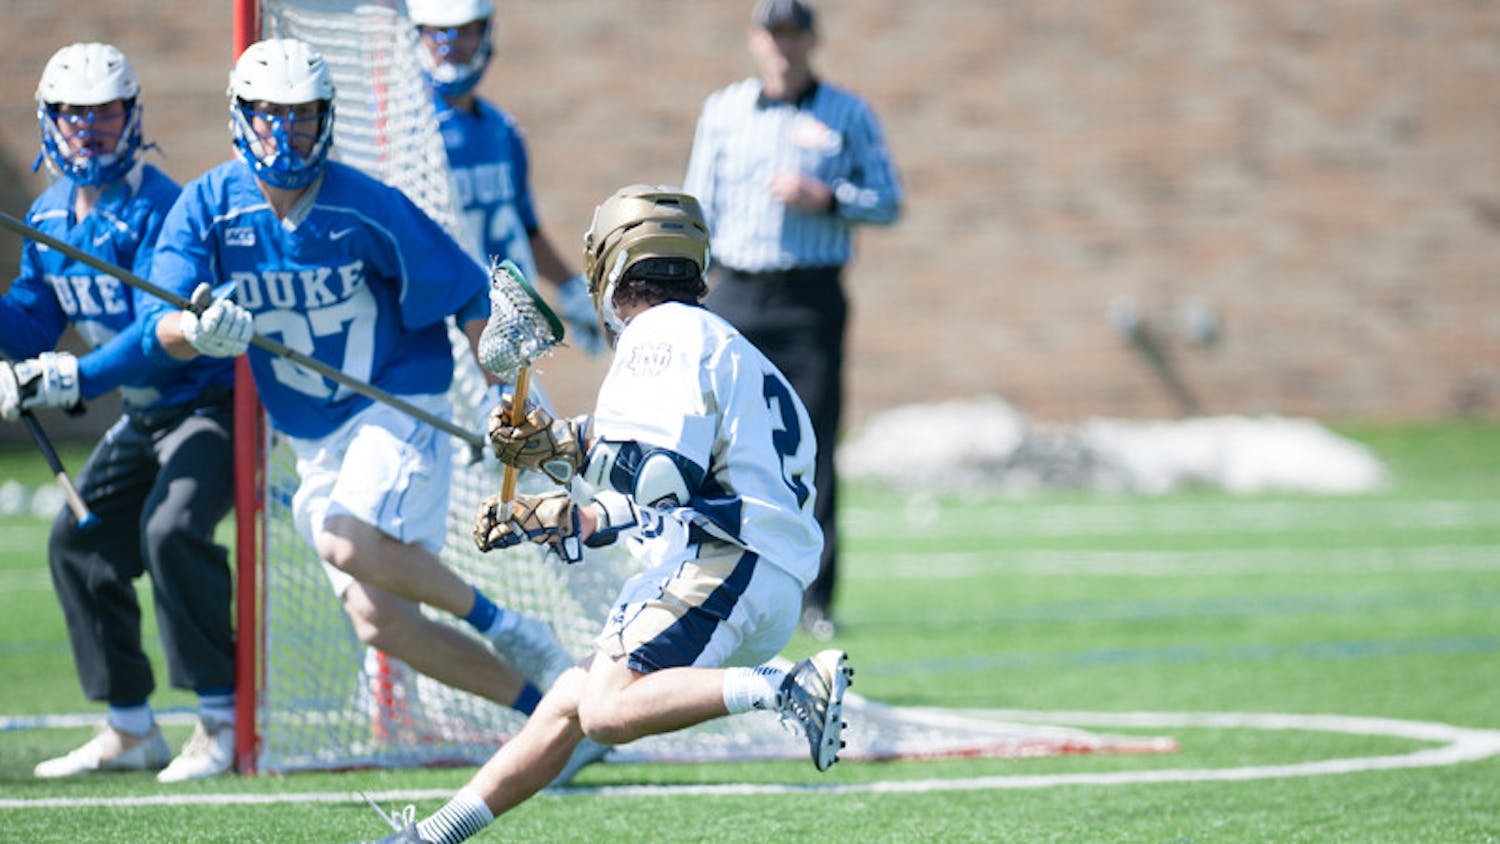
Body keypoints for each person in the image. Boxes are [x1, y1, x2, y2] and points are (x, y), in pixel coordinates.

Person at [349, 185, 852, 844]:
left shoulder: (661, 332)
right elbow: (655, 488)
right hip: (751, 571)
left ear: (610, 262)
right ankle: (434, 836)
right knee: (568, 705)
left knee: (608, 711)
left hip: (726, 561)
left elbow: (665, 477)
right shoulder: (721, 343)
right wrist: (557, 512)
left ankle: (785, 685)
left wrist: (564, 447)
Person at [140, 38, 574, 737]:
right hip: (313, 436)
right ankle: (549, 721)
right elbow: (153, 319)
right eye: (267, 115)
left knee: (344, 540)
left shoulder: (365, 204)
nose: (284, 132)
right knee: (380, 622)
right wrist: (195, 332)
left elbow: (466, 292)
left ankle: (508, 623)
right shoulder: (210, 206)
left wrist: (499, 384)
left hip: (395, 401)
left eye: (302, 116)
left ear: (326, 119)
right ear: (238, 117)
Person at [0, 42, 239, 783]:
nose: (91, 130)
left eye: (106, 113)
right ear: (49, 123)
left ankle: (224, 719)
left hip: (210, 405)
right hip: (141, 420)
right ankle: (131, 728)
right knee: (78, 541)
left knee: (171, 530)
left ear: (132, 117)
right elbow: (29, 322)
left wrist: (69, 377)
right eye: (74, 116)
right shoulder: (49, 216)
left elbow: (153, 338)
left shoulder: (162, 208)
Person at [683, 0, 903, 640]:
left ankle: (814, 594)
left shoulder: (846, 113)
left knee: (809, 445)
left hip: (808, 298)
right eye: (771, 32)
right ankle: (711, 571)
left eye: (793, 32)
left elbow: (888, 200)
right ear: (755, 40)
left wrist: (828, 197)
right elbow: (699, 203)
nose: (782, 45)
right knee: (715, 438)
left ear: (811, 39)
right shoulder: (723, 111)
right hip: (736, 289)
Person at [406, 0, 606, 356]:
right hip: (450, 328)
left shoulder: (501, 129)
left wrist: (571, 289)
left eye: (467, 30)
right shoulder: (409, 133)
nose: (453, 43)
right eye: (439, 32)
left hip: (510, 326)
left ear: (486, 33)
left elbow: (525, 229)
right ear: (417, 35)